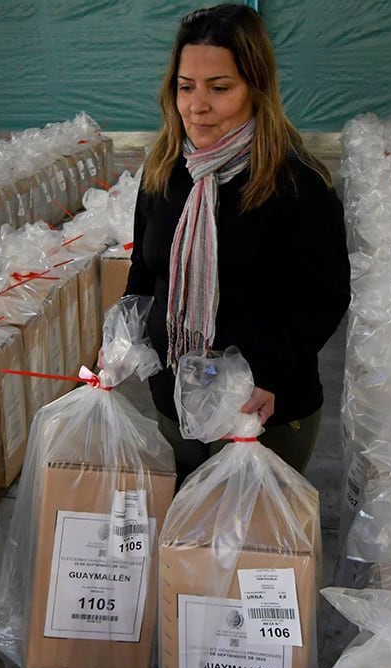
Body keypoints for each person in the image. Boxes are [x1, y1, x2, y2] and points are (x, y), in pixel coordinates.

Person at [124, 3, 350, 482]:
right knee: (186, 550)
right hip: (175, 404)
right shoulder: (164, 172)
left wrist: (268, 374)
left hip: (261, 412)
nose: (196, 105)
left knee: (248, 551)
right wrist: (127, 335)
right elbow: (145, 270)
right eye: (186, 87)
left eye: (219, 88)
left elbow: (323, 297)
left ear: (257, 89)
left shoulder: (295, 185)